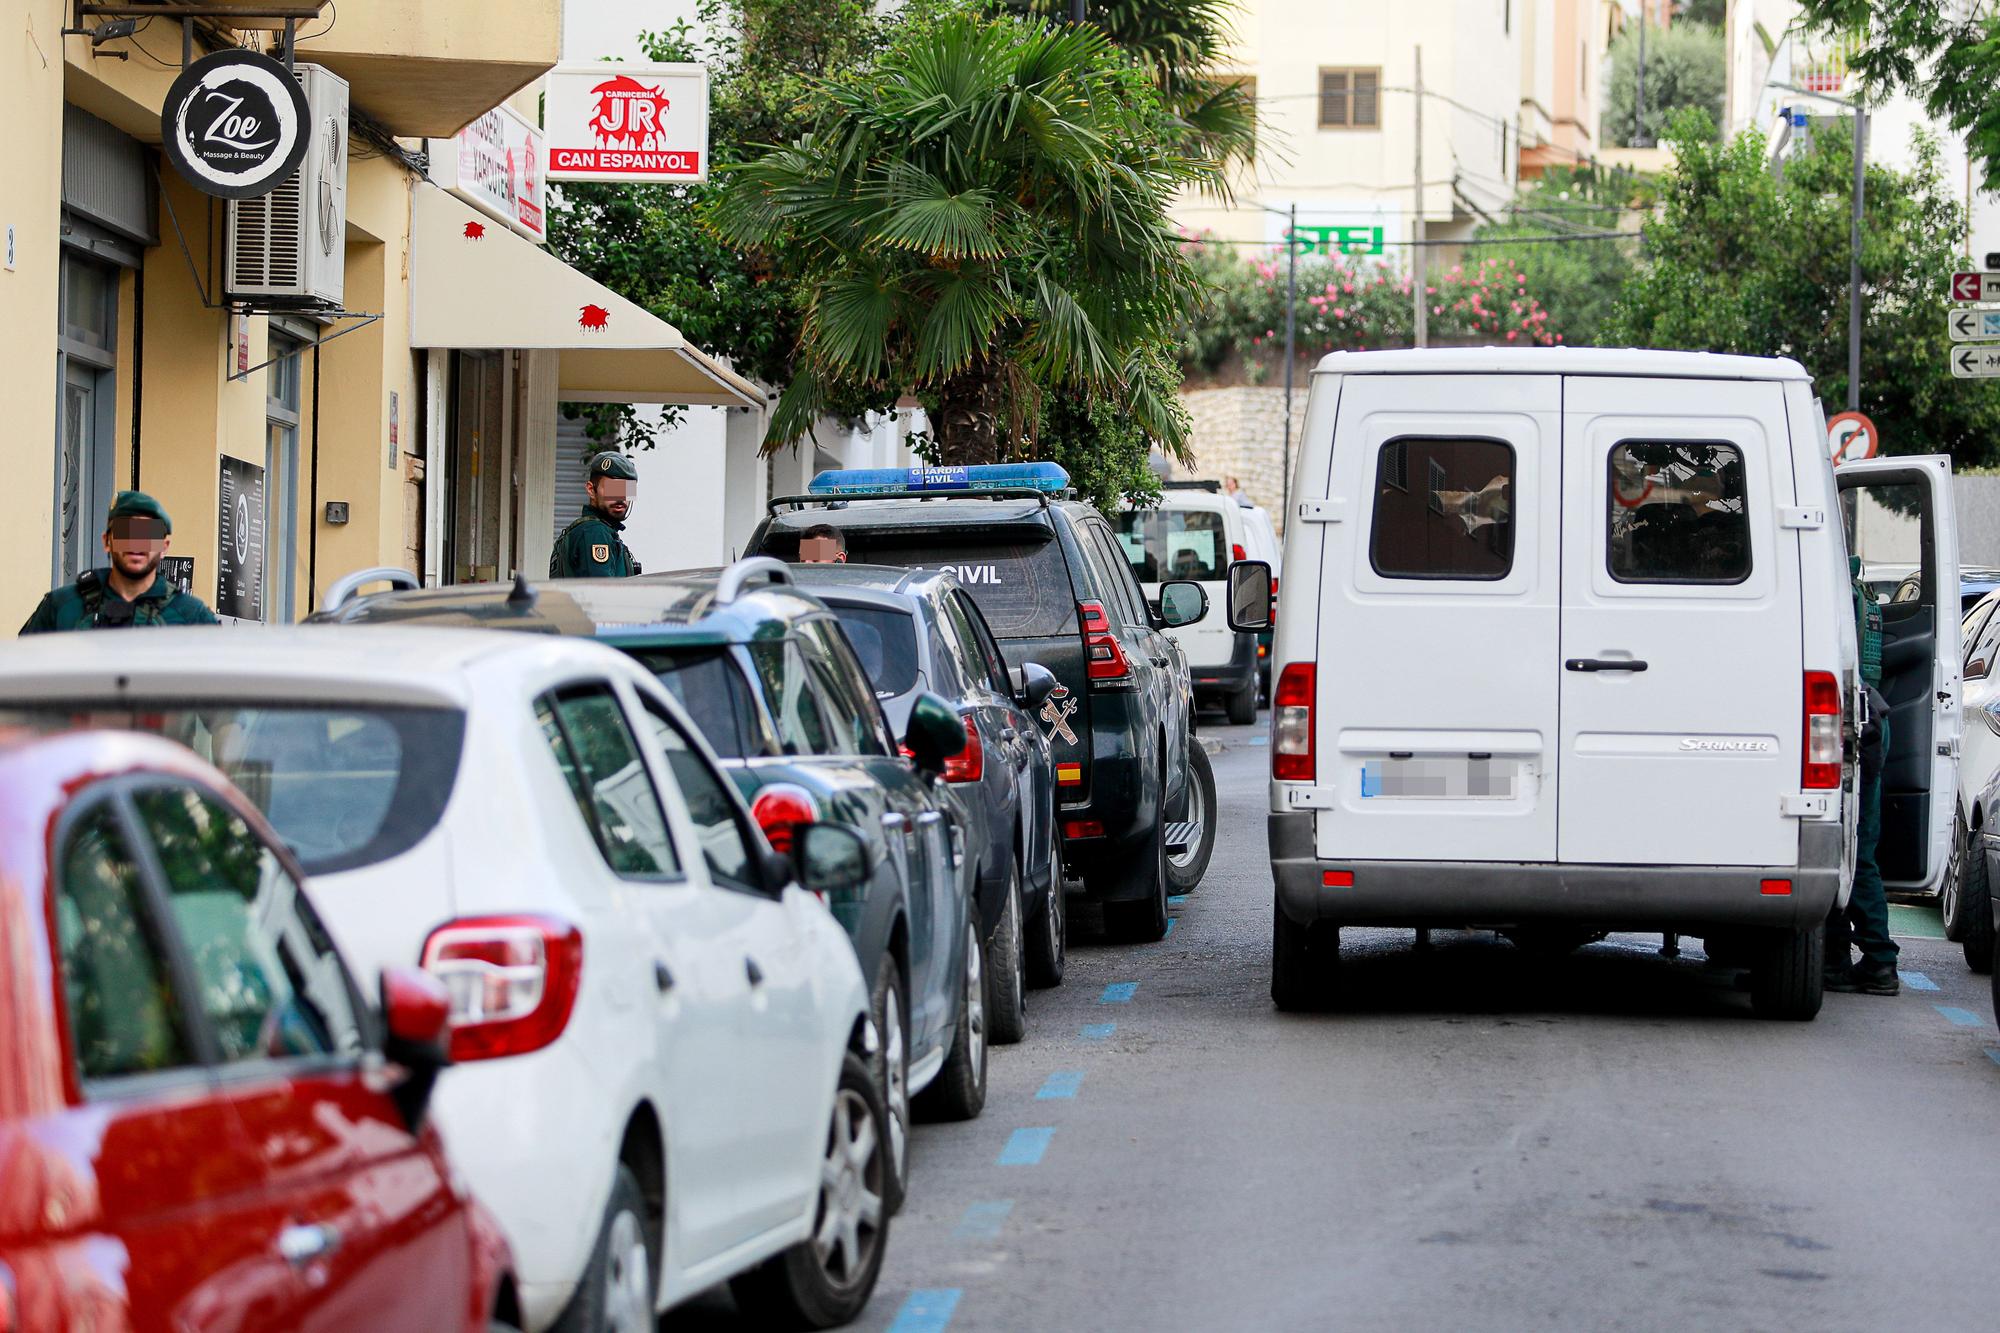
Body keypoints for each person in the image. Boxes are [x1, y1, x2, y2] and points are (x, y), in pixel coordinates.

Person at [1827, 555, 1898, 995]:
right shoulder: (1861, 592)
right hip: (1870, 719)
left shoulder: (1834, 590)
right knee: (1853, 848)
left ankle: (1875, 961)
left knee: (1850, 851)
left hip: (1856, 725)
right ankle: (1850, 960)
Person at [19, 491, 218, 633]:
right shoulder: (62, 606)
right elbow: (24, 674)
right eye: (126, 533)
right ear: (107, 541)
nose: (137, 544)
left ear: (164, 546)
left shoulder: (192, 616)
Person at [550, 452, 641, 578]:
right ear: (591, 490)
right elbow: (600, 594)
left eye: (626, 490)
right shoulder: (594, 532)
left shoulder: (595, 530)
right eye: (614, 489)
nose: (621, 497)